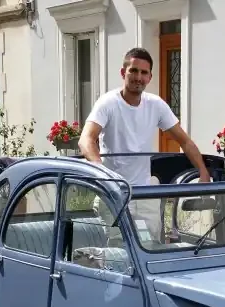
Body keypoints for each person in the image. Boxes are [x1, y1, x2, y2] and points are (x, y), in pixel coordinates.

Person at [78, 47, 210, 243]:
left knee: (151, 248)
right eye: (133, 71)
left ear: (149, 77)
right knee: (119, 253)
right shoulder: (107, 103)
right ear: (124, 73)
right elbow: (86, 139)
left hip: (145, 194)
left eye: (144, 72)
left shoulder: (155, 105)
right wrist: (101, 172)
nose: (138, 77)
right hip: (115, 193)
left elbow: (184, 141)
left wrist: (203, 172)